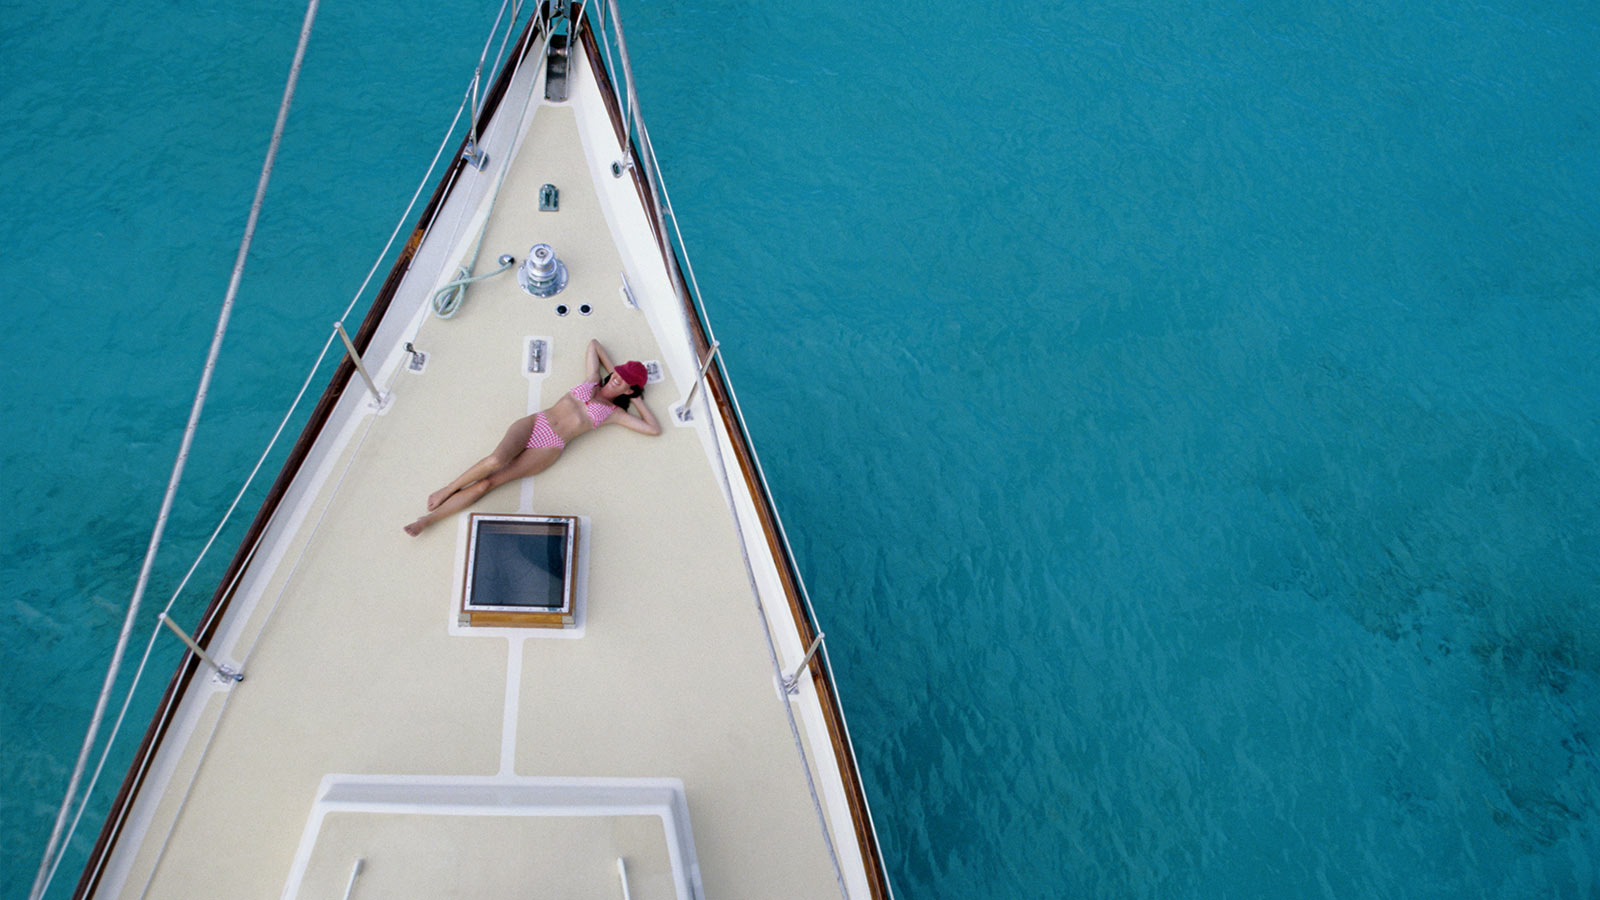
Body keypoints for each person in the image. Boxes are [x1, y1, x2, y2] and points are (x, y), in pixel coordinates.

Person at [404, 339, 660, 536]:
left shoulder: (613, 413)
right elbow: (594, 344)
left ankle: (425, 522)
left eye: (625, 381)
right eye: (618, 373)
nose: (617, 378)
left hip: (549, 447)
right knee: (495, 459)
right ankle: (447, 490)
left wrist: (638, 399)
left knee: (487, 484)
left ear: (630, 389)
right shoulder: (592, 380)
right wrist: (616, 370)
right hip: (536, 422)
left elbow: (653, 429)